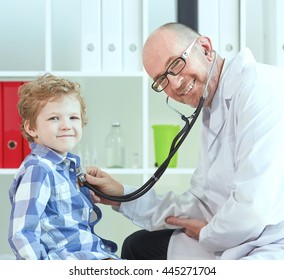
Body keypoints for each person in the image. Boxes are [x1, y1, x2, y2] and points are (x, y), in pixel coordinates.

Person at [84, 22, 284, 260]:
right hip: (234, 237)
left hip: (268, 244)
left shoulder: (261, 88)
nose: (176, 84)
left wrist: (208, 233)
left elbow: (253, 208)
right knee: (137, 245)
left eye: (176, 64)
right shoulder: (214, 103)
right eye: (162, 80)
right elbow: (202, 201)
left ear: (205, 47)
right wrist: (122, 196)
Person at [8, 74, 119, 260]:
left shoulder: (66, 168)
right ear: (31, 128)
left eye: (73, 117)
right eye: (54, 118)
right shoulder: (38, 170)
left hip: (88, 254)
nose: (66, 125)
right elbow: (21, 234)